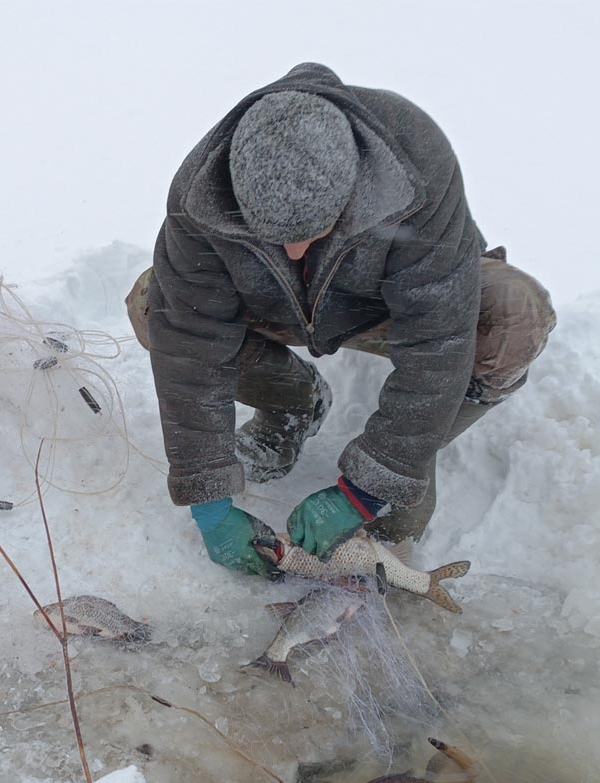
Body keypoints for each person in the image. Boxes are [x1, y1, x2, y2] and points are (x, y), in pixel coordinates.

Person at [126, 62, 556, 576]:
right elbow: (190, 345)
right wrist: (209, 502)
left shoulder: (414, 158)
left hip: (387, 303)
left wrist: (371, 485)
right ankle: (292, 404)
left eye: (312, 231)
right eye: (270, 235)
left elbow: (437, 339)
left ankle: (407, 455)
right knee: (155, 304)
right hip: (277, 304)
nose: (292, 249)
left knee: (515, 314)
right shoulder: (202, 194)